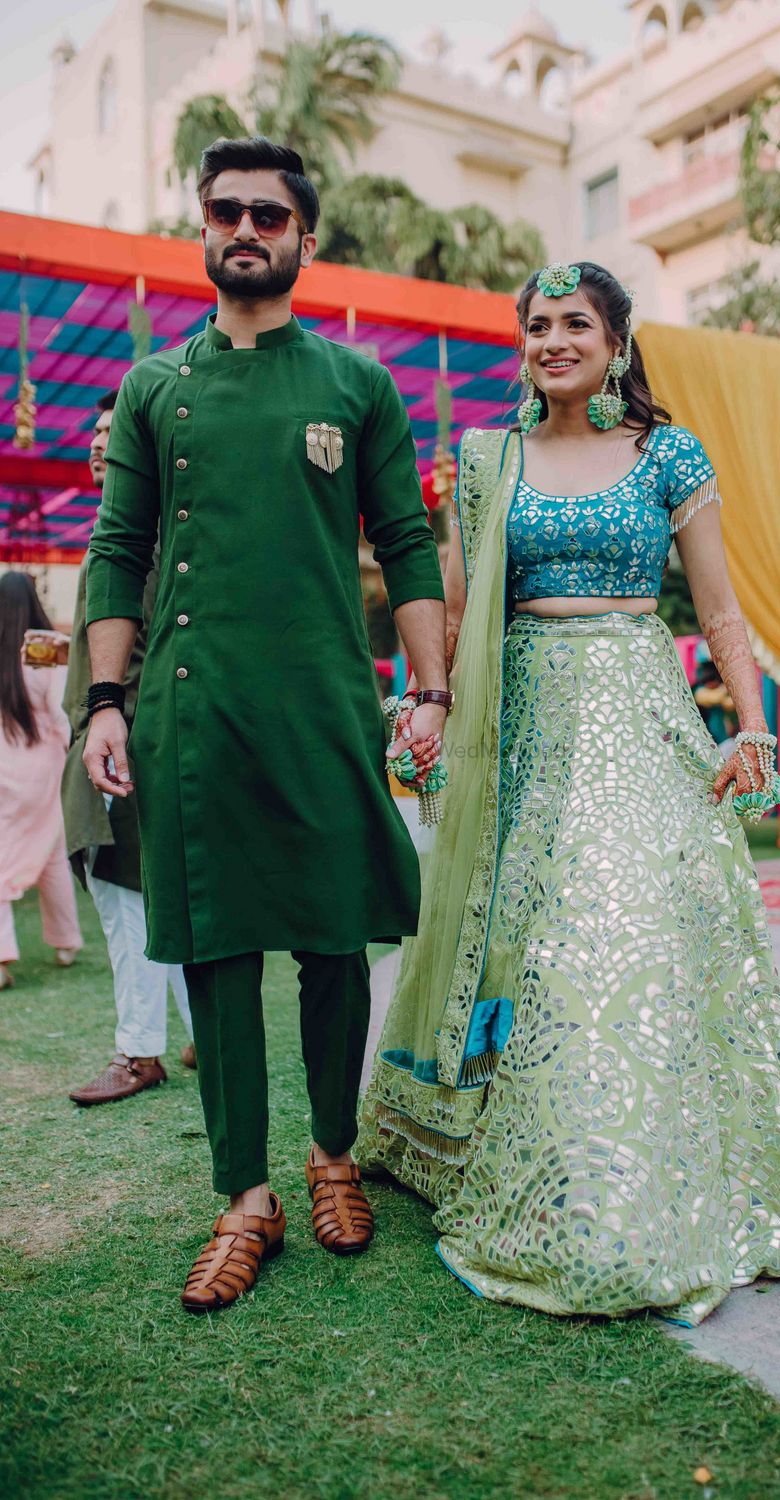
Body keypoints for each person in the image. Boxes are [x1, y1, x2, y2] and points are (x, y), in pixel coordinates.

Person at [357, 260, 780, 1325]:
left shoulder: (665, 453)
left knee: (643, 934)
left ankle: (664, 1172)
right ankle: (564, 1172)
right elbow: (460, 617)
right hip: (525, 736)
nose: (554, 340)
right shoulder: (486, 458)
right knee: (539, 948)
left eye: (576, 324)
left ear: (615, 343)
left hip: (641, 727)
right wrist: (430, 712)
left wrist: (749, 724)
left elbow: (721, 613)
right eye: (538, 325)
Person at [82, 136, 447, 1313]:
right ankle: (245, 1198)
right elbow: (116, 551)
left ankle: (333, 1155)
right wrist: (102, 702)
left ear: (302, 238)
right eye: (226, 210)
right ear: (204, 226)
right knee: (220, 949)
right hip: (190, 706)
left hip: (327, 699)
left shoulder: (357, 384)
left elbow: (405, 544)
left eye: (269, 215)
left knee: (334, 939)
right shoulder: (153, 389)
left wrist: (428, 690)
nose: (246, 229)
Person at [63, 390, 196, 1106]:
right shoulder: (122, 532)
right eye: (94, 432)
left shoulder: (145, 539)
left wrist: (117, 726)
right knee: (147, 890)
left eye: (112, 436)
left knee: (123, 892)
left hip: (126, 743)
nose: (96, 445)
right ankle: (200, 1028)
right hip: (108, 735)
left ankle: (138, 1051)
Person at [0, 572, 82, 989]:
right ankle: (66, 942)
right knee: (51, 847)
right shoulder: (45, 646)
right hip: (43, 769)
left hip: (3, 766)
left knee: (8, 854)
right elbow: (60, 712)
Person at [693, 657, 737, 754]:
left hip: (723, 739)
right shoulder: (699, 691)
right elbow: (713, 698)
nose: (711, 685)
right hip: (707, 739)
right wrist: (726, 688)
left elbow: (730, 704)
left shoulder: (718, 694)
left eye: (713, 681)